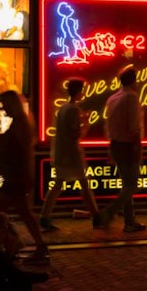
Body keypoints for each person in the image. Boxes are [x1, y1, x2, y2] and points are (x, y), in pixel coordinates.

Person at [0, 91, 50, 264]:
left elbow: (24, 153)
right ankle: (24, 243)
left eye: (5, 105)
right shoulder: (19, 123)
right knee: (21, 211)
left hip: (13, 174)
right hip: (11, 173)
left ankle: (12, 243)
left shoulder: (19, 125)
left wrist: (25, 174)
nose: (3, 108)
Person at [41, 78, 100, 232]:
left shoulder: (62, 109)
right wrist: (86, 123)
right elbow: (75, 134)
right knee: (84, 185)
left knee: (58, 184)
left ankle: (45, 216)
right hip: (71, 154)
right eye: (83, 90)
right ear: (79, 92)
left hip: (61, 152)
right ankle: (96, 217)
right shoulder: (74, 110)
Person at [95, 66, 147, 233]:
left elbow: (107, 124)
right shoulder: (131, 97)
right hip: (128, 145)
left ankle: (129, 222)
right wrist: (137, 146)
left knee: (126, 184)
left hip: (116, 144)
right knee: (132, 185)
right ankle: (109, 212)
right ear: (133, 81)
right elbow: (134, 126)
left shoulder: (112, 98)